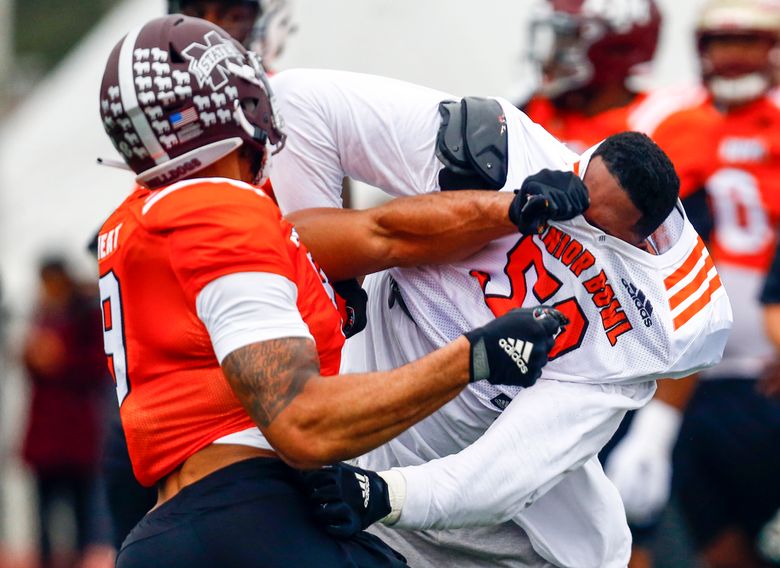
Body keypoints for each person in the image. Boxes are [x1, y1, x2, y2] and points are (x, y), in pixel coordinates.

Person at [97, 15, 573, 567]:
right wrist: (475, 357)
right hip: (253, 521)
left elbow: (383, 232)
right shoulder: (220, 212)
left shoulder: (137, 222)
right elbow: (302, 422)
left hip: (164, 534)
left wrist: (511, 206)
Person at [268, 67, 732, 568]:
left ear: (638, 235)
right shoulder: (504, 155)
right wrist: (330, 286)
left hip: (508, 546)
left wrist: (383, 495)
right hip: (352, 474)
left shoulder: (659, 321)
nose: (576, 214)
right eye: (580, 187)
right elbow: (298, 102)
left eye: (595, 219)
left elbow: (510, 469)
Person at [20, 256, 109, 568]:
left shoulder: (84, 314)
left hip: (75, 433)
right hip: (45, 435)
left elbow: (100, 367)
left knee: (80, 509)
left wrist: (60, 359)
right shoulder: (42, 312)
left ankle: (78, 560)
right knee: (44, 510)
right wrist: (31, 358)